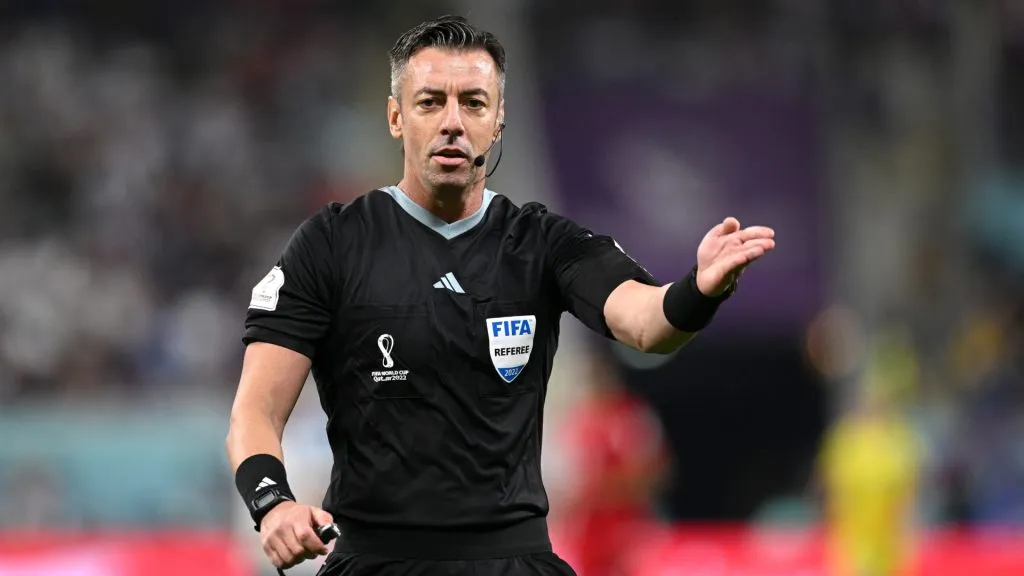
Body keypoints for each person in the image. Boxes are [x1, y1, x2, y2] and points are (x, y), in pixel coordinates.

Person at [225, 14, 775, 576]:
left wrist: (698, 289)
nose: (452, 122)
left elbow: (646, 323)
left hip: (512, 563)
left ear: (499, 120)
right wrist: (272, 504)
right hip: (374, 561)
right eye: (430, 102)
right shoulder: (333, 243)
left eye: (474, 102)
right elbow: (256, 409)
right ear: (396, 117)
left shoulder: (542, 242)